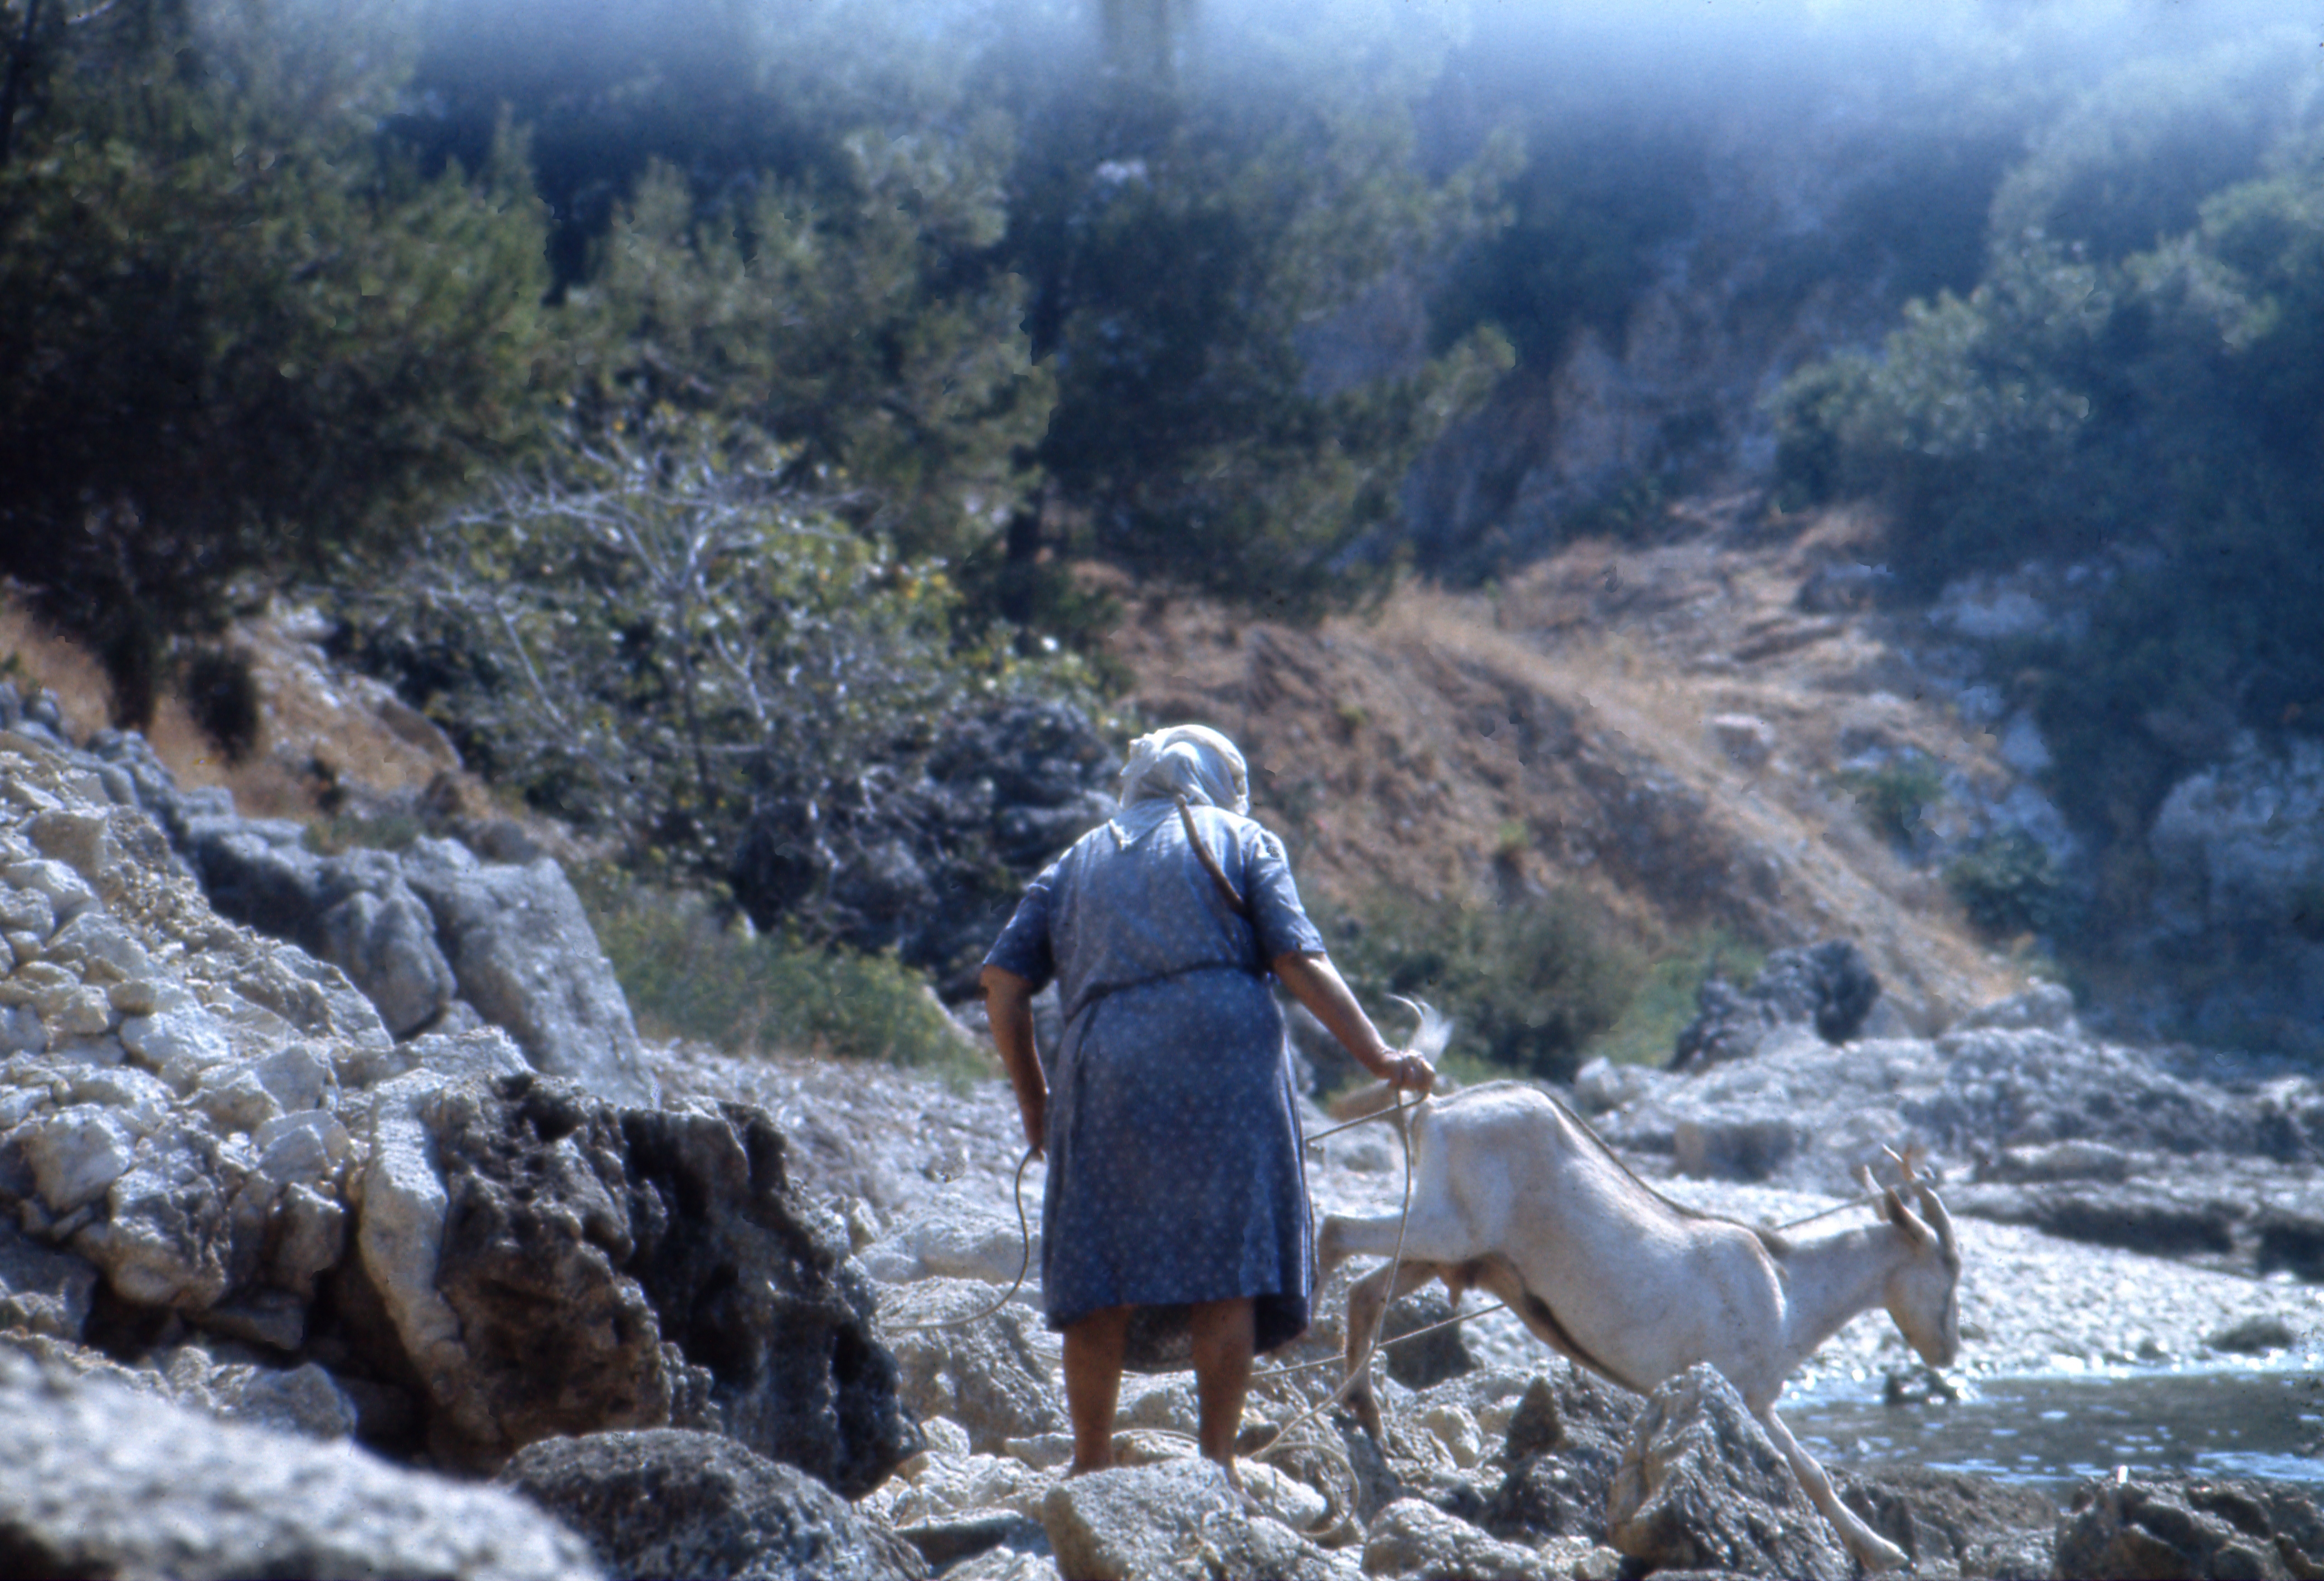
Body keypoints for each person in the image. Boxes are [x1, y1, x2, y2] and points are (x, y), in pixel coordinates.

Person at [979, 723, 1435, 1482]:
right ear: (1223, 783)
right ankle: (1214, 1468)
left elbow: (1002, 983)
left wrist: (1036, 1103)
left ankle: (1089, 1465)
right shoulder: (1244, 838)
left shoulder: (1077, 859)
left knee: (1099, 1266)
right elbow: (1297, 958)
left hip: (1107, 1067)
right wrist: (1379, 1057)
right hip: (1226, 1065)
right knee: (1226, 1267)